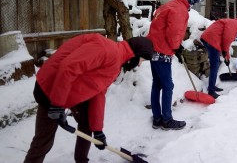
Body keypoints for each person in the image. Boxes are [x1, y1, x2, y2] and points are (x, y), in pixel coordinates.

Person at [23, 33, 154, 163]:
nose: (139, 65)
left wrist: (98, 130)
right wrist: (57, 106)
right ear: (135, 55)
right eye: (141, 60)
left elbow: (98, 94)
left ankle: (81, 160)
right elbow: (69, 67)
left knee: (87, 123)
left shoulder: (115, 63)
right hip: (50, 88)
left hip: (68, 88)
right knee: (44, 141)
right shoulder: (106, 49)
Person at [147, 0, 203, 130]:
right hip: (162, 52)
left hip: (153, 50)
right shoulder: (179, 10)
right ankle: (166, 120)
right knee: (167, 86)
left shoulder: (170, 5)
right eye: (195, 2)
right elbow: (173, 33)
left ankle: (157, 118)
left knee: (157, 84)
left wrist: (175, 47)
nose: (194, 5)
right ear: (191, 0)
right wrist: (176, 47)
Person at [200, 17, 237, 99]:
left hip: (209, 38)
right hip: (212, 40)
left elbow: (226, 41)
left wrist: (226, 56)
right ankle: (211, 91)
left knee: (215, 64)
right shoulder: (235, 26)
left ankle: (211, 86)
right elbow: (226, 39)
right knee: (214, 66)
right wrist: (225, 53)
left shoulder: (233, 22)